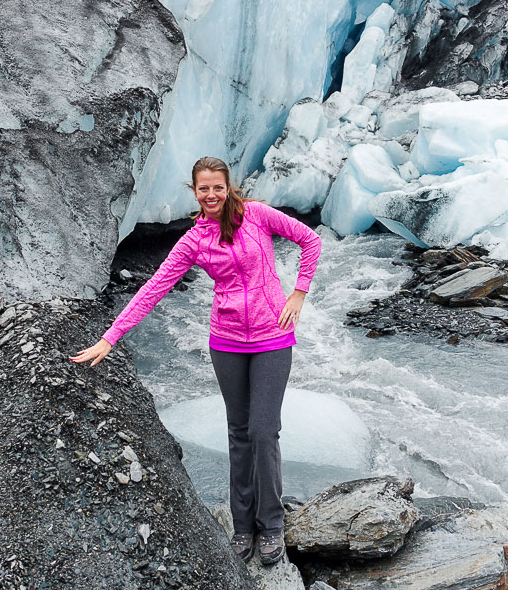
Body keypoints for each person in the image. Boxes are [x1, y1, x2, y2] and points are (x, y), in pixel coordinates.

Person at [69, 156, 322, 566]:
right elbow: (154, 289)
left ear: (228, 187)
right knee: (239, 433)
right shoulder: (193, 241)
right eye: (203, 188)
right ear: (194, 191)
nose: (211, 195)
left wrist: (299, 292)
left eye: (217, 187)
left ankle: (271, 524)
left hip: (273, 336)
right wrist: (110, 338)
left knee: (263, 431)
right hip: (226, 342)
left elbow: (310, 240)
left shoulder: (257, 216)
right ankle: (243, 526)